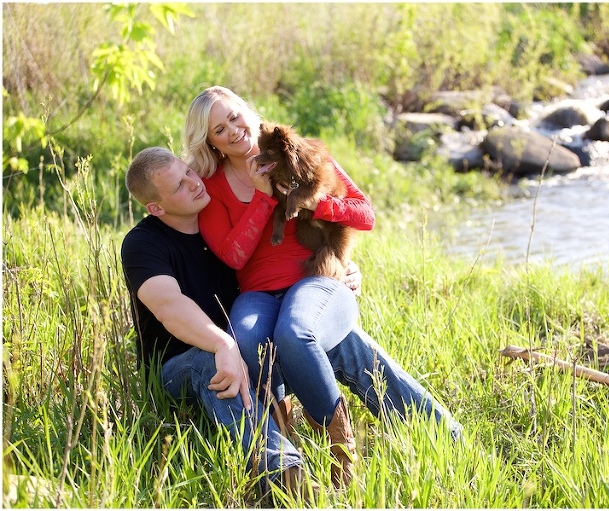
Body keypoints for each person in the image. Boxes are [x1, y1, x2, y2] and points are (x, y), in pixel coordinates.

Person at [183, 86, 462, 487]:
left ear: (249, 110)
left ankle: (341, 446)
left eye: (234, 116)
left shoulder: (293, 149)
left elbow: (363, 213)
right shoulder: (213, 187)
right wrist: (263, 199)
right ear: (210, 141)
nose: (232, 130)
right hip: (258, 293)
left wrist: (315, 205)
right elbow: (234, 257)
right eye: (218, 129)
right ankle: (288, 447)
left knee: (296, 332)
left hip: (315, 282)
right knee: (246, 341)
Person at [120, 147, 310, 497]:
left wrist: (338, 269)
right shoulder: (142, 243)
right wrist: (222, 344)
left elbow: (280, 263)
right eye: (178, 186)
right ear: (156, 208)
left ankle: (421, 419)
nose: (193, 183)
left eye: (188, 172)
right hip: (176, 366)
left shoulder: (220, 224)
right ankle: (284, 477)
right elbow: (169, 306)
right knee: (210, 362)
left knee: (305, 331)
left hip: (242, 347)